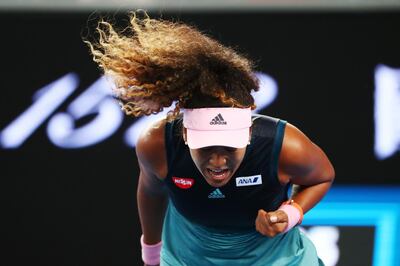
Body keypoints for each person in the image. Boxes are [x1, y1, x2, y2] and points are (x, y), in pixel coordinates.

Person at [87, 12, 335, 266]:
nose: (217, 161)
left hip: (278, 259)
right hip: (186, 257)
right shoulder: (157, 145)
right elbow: (151, 193)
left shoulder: (286, 146)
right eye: (205, 148)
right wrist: (151, 257)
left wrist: (290, 213)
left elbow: (322, 176)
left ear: (248, 133)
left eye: (229, 147)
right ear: (185, 134)